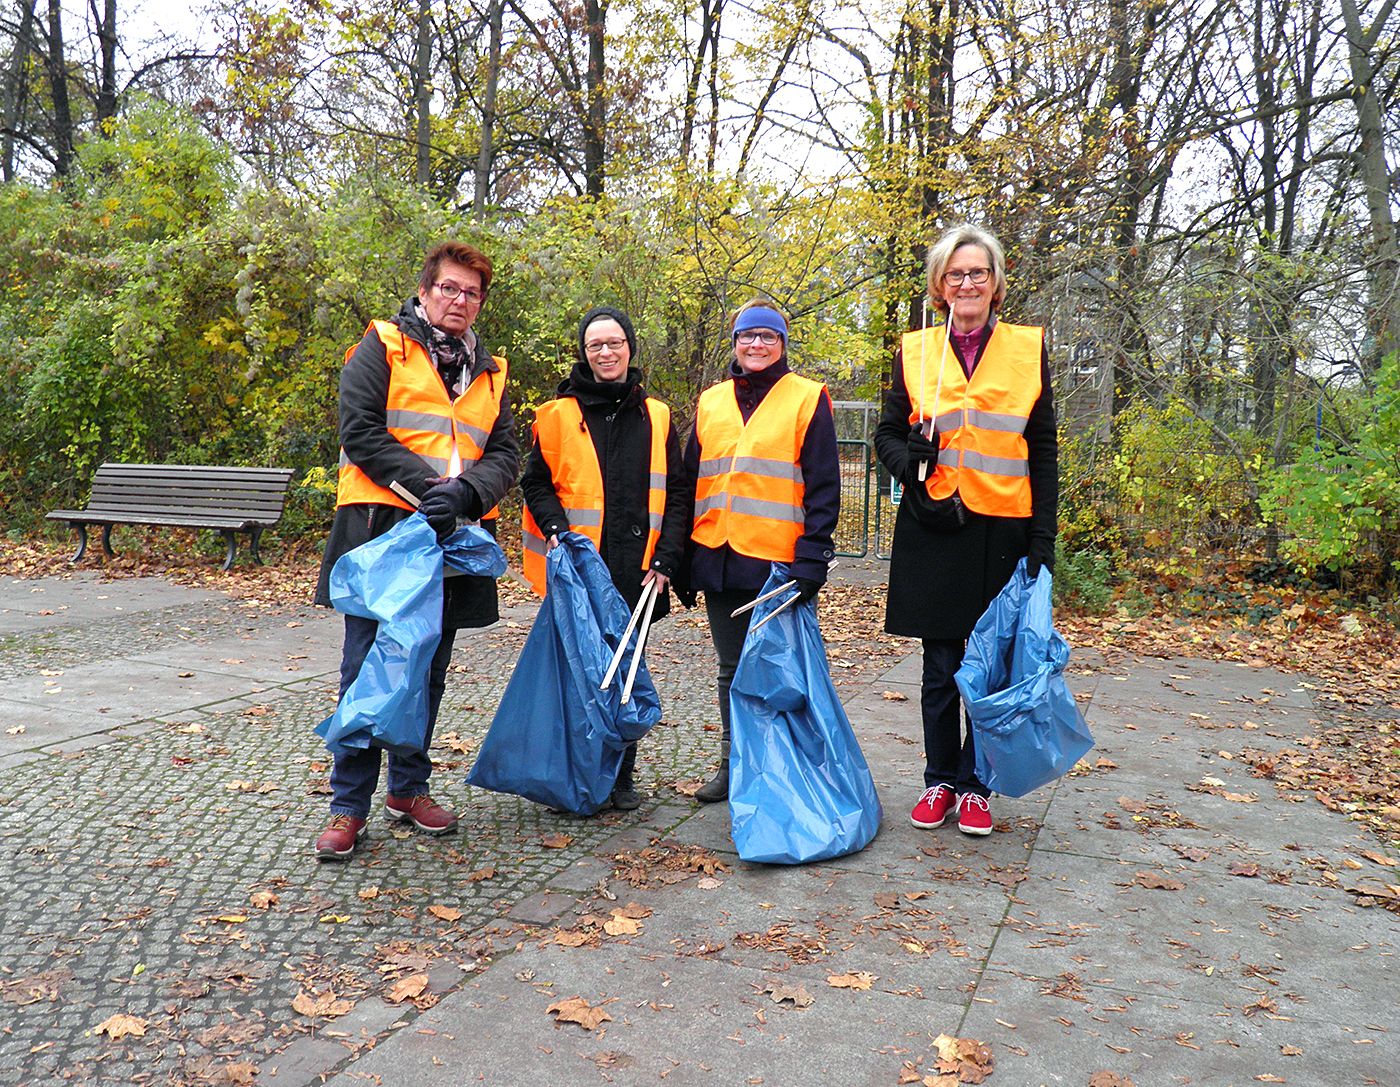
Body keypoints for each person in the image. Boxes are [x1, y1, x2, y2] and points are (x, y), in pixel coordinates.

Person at [313, 241, 518, 861]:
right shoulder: (381, 345)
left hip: (449, 540)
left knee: (428, 668)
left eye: (472, 293)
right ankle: (348, 805)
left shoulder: (489, 371)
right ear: (426, 290)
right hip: (381, 536)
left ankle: (409, 789)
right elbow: (360, 430)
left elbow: (504, 455)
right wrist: (432, 490)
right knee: (365, 669)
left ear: (481, 304)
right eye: (450, 288)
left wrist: (461, 498)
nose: (460, 300)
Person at [874, 224, 1058, 837]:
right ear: (939, 285)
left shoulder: (1027, 348)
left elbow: (1043, 449)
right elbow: (888, 436)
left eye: (978, 273)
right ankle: (938, 781)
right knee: (940, 666)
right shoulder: (915, 351)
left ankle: (976, 786)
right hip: (935, 527)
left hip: (1002, 529)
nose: (967, 283)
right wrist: (912, 464)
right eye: (955, 274)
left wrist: (1042, 544)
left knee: (987, 667)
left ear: (996, 282)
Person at [519, 305, 690, 810]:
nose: (606, 352)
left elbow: (677, 492)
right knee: (576, 672)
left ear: (630, 347)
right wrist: (555, 531)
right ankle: (570, 776)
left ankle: (619, 779)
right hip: (578, 571)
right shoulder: (556, 415)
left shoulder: (657, 416)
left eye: (614, 342)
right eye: (596, 345)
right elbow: (535, 481)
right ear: (584, 353)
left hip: (638, 572)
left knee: (624, 672)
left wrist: (667, 558)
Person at [684, 299, 840, 803]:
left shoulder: (807, 398)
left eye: (768, 336)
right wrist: (684, 556)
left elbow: (823, 487)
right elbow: (691, 483)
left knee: (780, 669)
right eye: (748, 336)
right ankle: (735, 766)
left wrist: (812, 557)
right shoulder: (711, 402)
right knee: (732, 669)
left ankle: (785, 769)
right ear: (734, 343)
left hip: (779, 566)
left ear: (782, 344)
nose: (756, 344)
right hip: (719, 557)